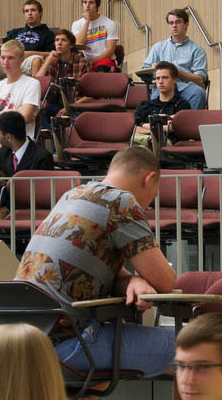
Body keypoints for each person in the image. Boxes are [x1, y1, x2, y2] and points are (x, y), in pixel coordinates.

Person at [17, 139, 177, 378]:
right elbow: (166, 282)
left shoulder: (72, 195)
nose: (148, 205)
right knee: (197, 349)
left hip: (19, 339)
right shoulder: (120, 201)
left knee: (105, 376)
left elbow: (89, 266)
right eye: (152, 196)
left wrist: (131, 280)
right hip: (67, 342)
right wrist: (139, 278)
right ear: (148, 179)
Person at [137, 7, 209, 109]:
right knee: (157, 96)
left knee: (198, 93)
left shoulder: (197, 50)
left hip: (187, 87)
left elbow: (200, 79)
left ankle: (189, 124)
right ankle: (160, 125)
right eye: (171, 23)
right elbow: (144, 72)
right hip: (164, 86)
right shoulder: (158, 47)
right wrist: (153, 70)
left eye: (178, 22)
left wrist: (176, 71)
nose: (174, 26)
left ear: (186, 24)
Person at [0, 39, 42, 132]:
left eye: (11, 58)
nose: (5, 62)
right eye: (3, 58)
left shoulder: (32, 84)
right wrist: (11, 112)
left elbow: (25, 117)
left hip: (15, 139)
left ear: (22, 60)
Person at [72, 0, 121, 68]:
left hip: (106, 60)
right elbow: (79, 43)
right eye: (85, 2)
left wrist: (92, 61)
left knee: (100, 68)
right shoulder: (77, 24)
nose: (87, 5)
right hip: (86, 62)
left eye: (91, 2)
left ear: (97, 6)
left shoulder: (109, 23)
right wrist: (87, 22)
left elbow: (110, 51)